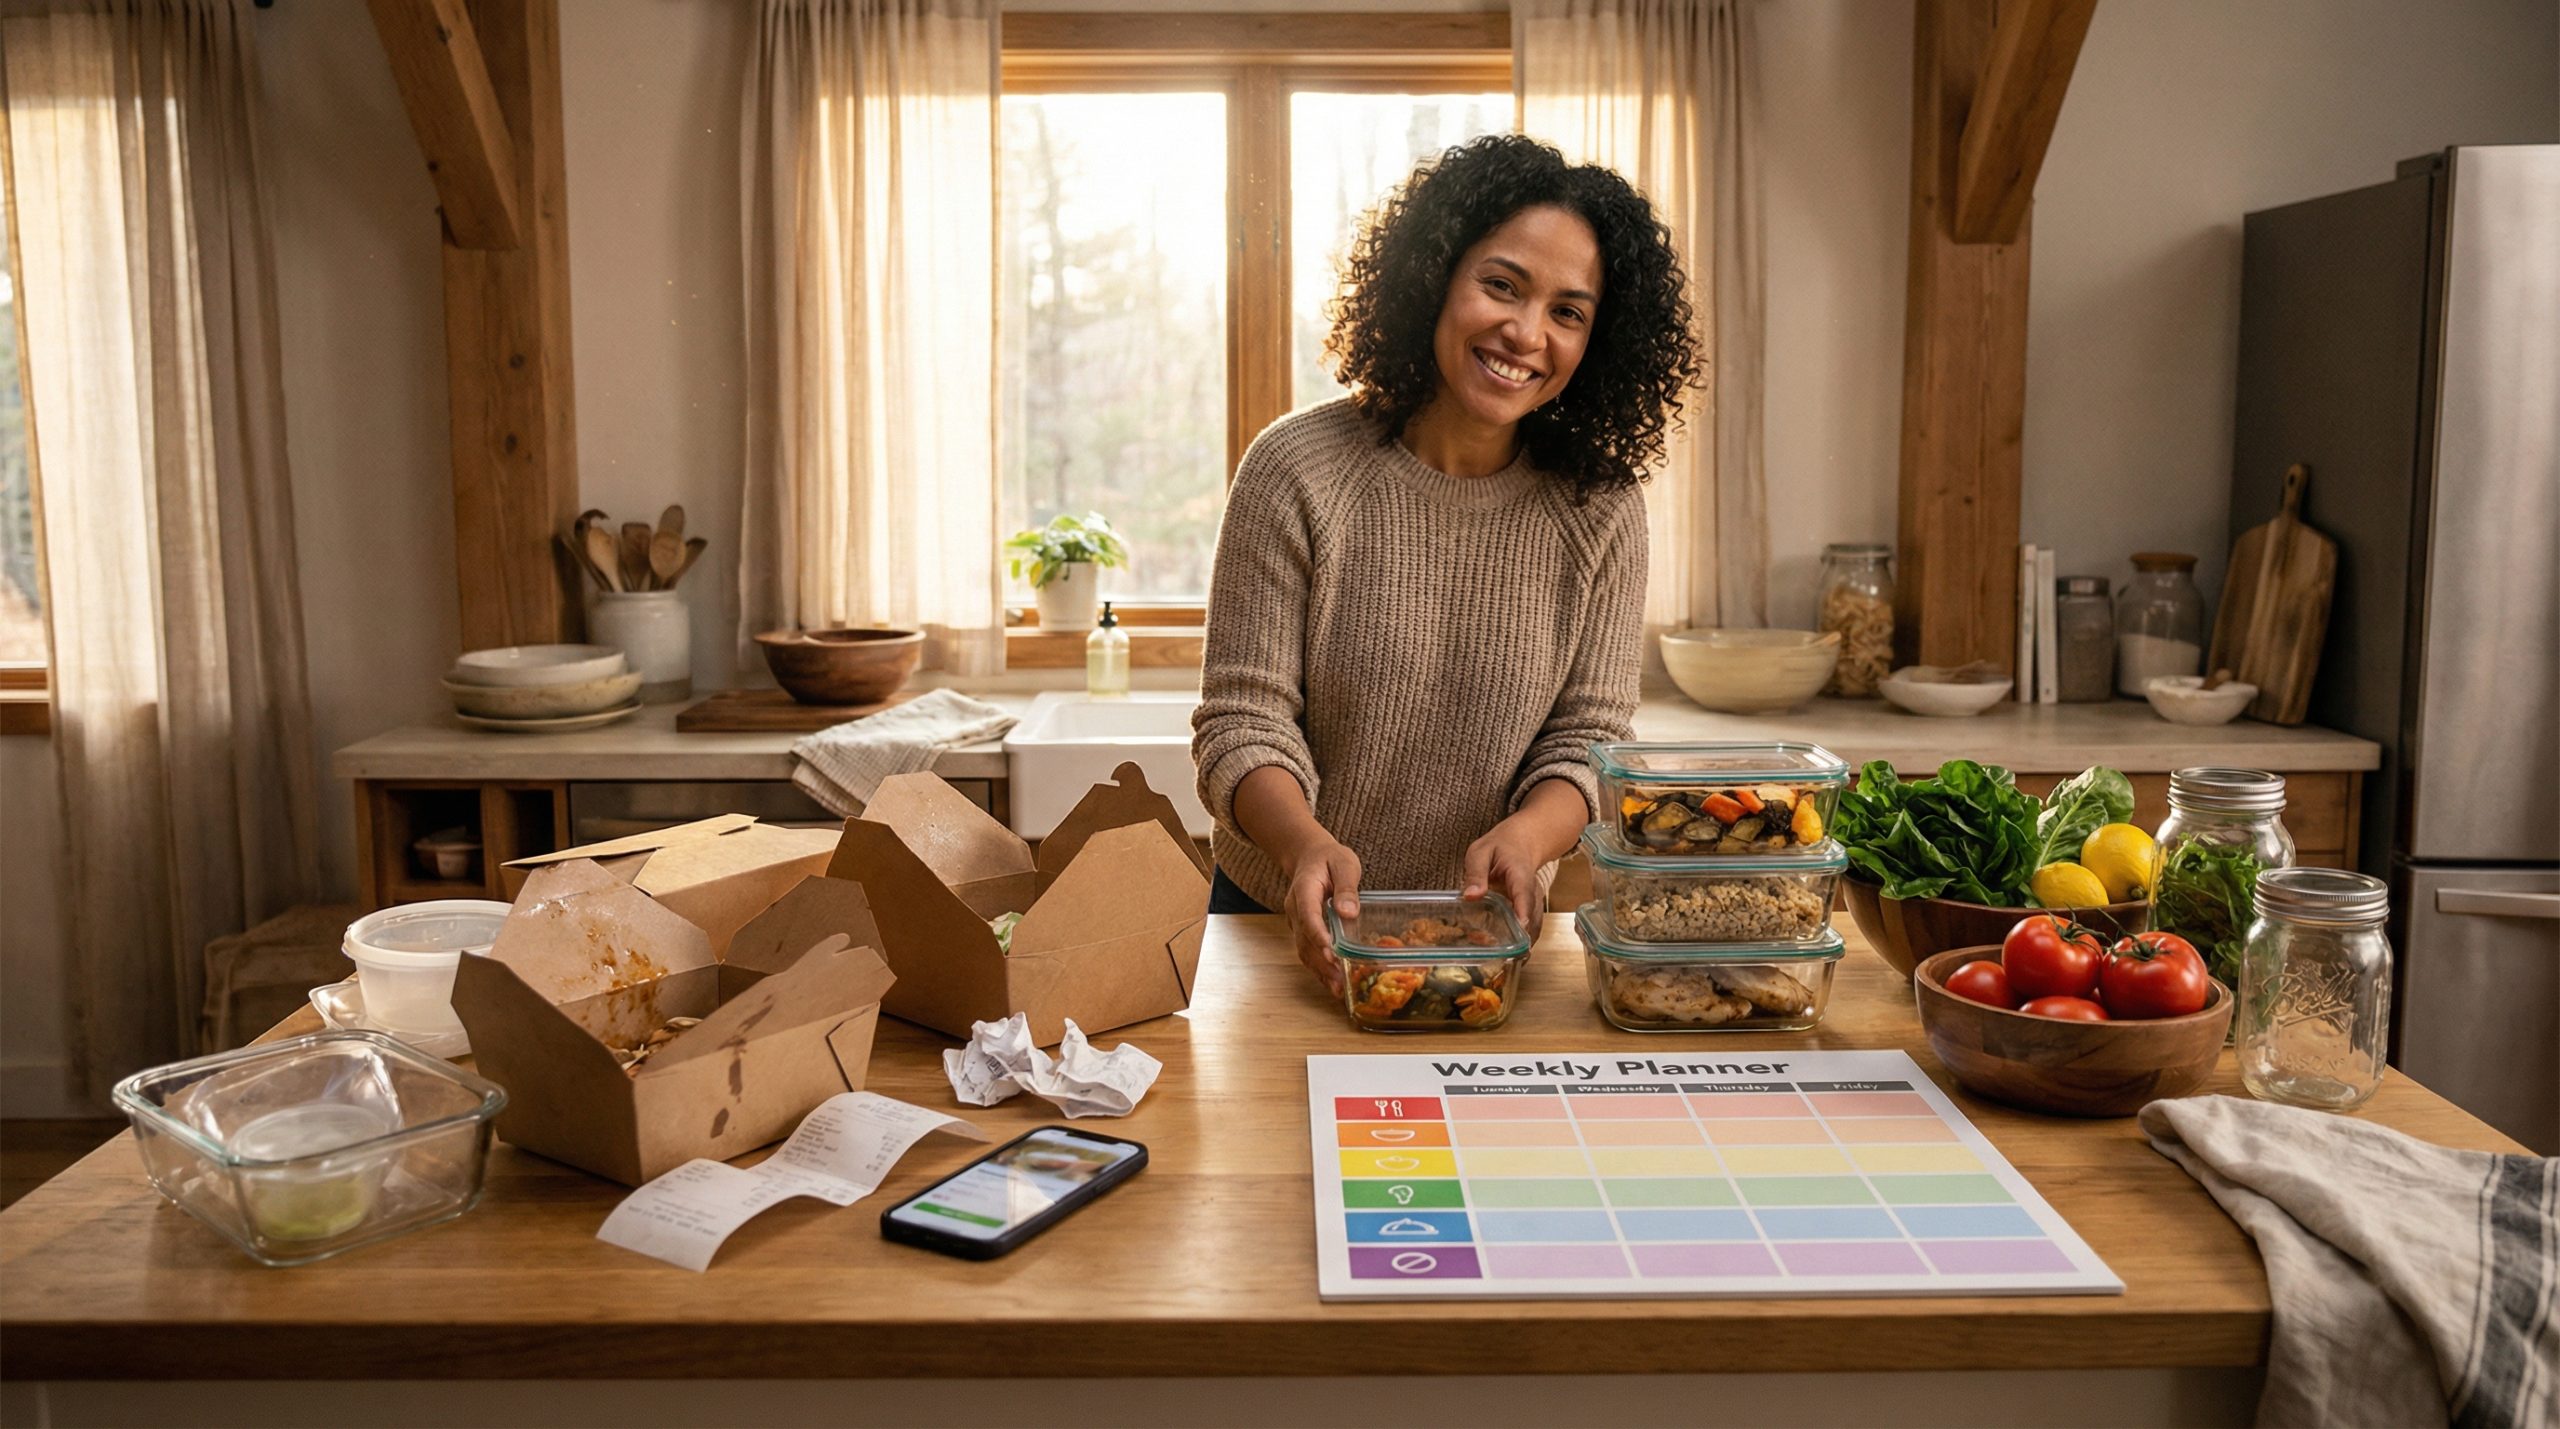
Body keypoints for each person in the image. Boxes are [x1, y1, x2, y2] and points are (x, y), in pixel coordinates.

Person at [1191, 133, 1702, 992]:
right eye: (1501, 285)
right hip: (1279, 922)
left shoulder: (1601, 508)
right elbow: (1243, 720)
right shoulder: (1296, 469)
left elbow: (1589, 739)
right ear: (1432, 276)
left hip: (1488, 931)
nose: (1526, 331)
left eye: (1568, 312)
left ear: (1597, 342)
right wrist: (1305, 847)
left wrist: (1532, 839)